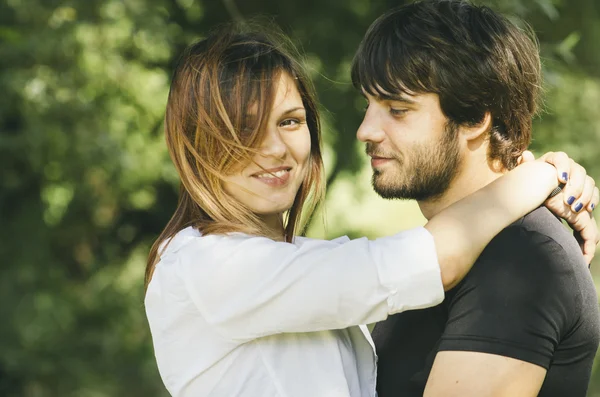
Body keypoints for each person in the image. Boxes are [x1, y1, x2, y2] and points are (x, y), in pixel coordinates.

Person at [143, 23, 598, 397]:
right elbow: (421, 262)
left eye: (289, 121)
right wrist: (544, 174)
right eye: (242, 128)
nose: (275, 149)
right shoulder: (206, 267)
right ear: (193, 143)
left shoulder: (523, 255)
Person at [350, 1, 600, 396]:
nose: (366, 130)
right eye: (369, 104)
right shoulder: (445, 249)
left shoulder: (523, 258)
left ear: (474, 119)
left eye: (397, 110)